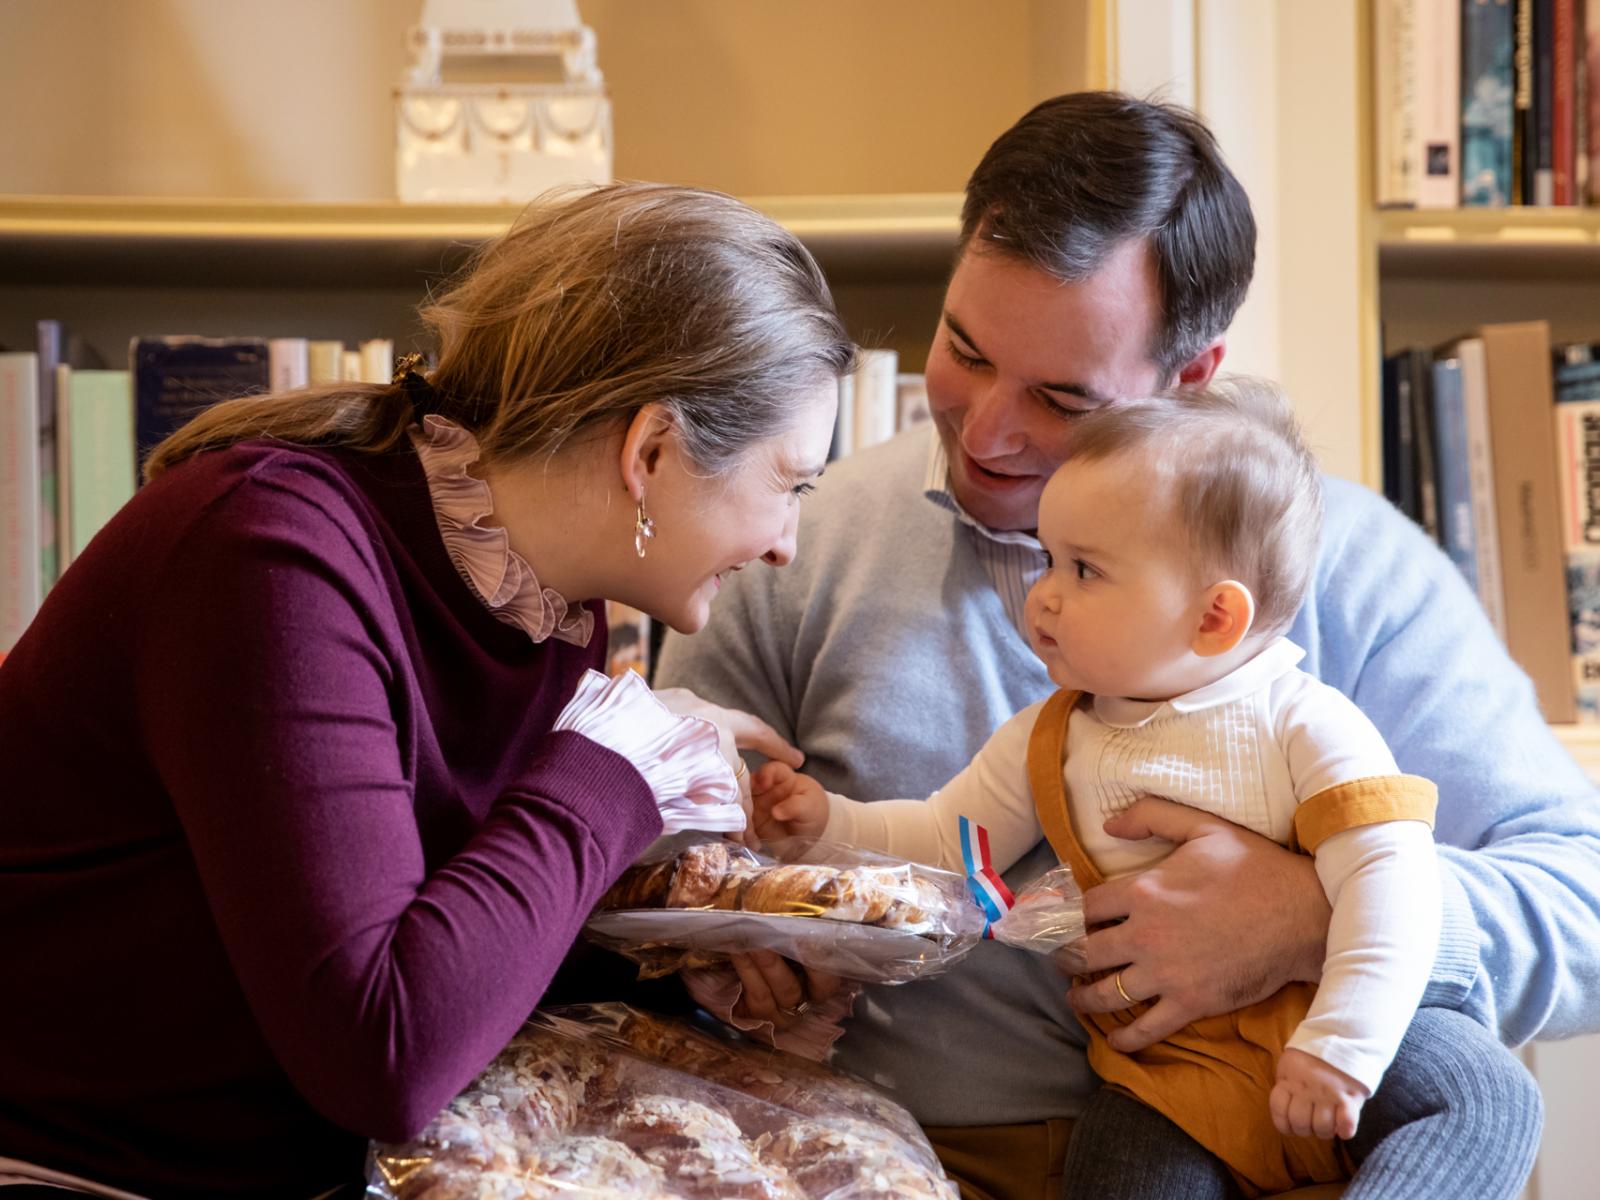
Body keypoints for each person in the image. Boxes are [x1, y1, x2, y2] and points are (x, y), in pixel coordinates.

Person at [653, 92, 1600, 1200]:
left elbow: (1583, 905)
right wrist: (733, 945)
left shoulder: (1359, 571)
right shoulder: (790, 535)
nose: (990, 430)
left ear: (1189, 380)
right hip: (886, 1161)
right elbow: (666, 845)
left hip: (1281, 1154)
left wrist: (1308, 917)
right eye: (964, 348)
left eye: (1062, 398)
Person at [0, 182, 853, 1199]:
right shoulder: (268, 556)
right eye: (788, 483)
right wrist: (621, 760)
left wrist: (675, 972)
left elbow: (433, 932)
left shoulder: (551, 610)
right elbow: (386, 1053)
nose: (785, 543)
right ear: (651, 451)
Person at [750, 379, 1543, 1198]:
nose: (1043, 591)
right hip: (1171, 1074)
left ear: (1213, 620)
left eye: (1084, 570)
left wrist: (1344, 1042)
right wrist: (826, 820)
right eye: (1049, 557)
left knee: (1487, 1100)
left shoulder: (1306, 724)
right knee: (1118, 1173)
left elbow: (1391, 883)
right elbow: (946, 835)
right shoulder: (1049, 736)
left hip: (1340, 1018)